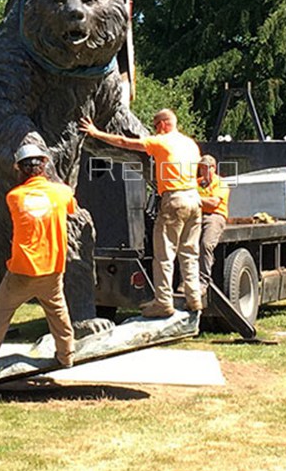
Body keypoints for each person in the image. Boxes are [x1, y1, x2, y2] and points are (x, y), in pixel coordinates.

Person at [0, 144, 76, 384]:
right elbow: (69, 210)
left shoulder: (14, 197)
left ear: (19, 169)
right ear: (44, 165)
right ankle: (66, 355)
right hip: (52, 268)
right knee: (58, 311)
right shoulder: (63, 193)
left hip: (22, 270)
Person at [79, 108, 202, 317]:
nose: (154, 131)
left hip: (175, 200)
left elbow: (125, 143)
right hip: (195, 200)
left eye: (155, 126)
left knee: (164, 254)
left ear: (163, 124)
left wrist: (95, 133)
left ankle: (163, 302)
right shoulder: (191, 145)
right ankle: (194, 298)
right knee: (190, 253)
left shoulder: (161, 141)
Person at [196, 154, 229, 293]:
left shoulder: (221, 182)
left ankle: (203, 282)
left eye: (206, 168)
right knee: (186, 245)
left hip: (215, 216)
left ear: (214, 168)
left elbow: (214, 203)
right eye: (201, 168)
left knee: (206, 244)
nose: (204, 171)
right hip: (196, 216)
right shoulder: (196, 183)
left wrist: (194, 199)